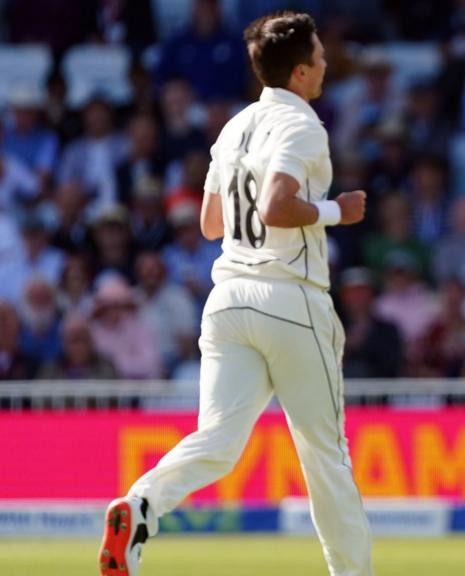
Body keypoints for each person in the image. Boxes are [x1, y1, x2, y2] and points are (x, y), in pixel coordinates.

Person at [98, 12, 373, 576]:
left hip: (228, 300)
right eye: (319, 57)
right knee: (325, 458)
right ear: (299, 72)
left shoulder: (235, 126)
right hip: (289, 297)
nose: (325, 64)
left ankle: (141, 503)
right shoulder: (303, 124)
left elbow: (207, 223)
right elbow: (275, 205)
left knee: (219, 440)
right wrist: (335, 212)